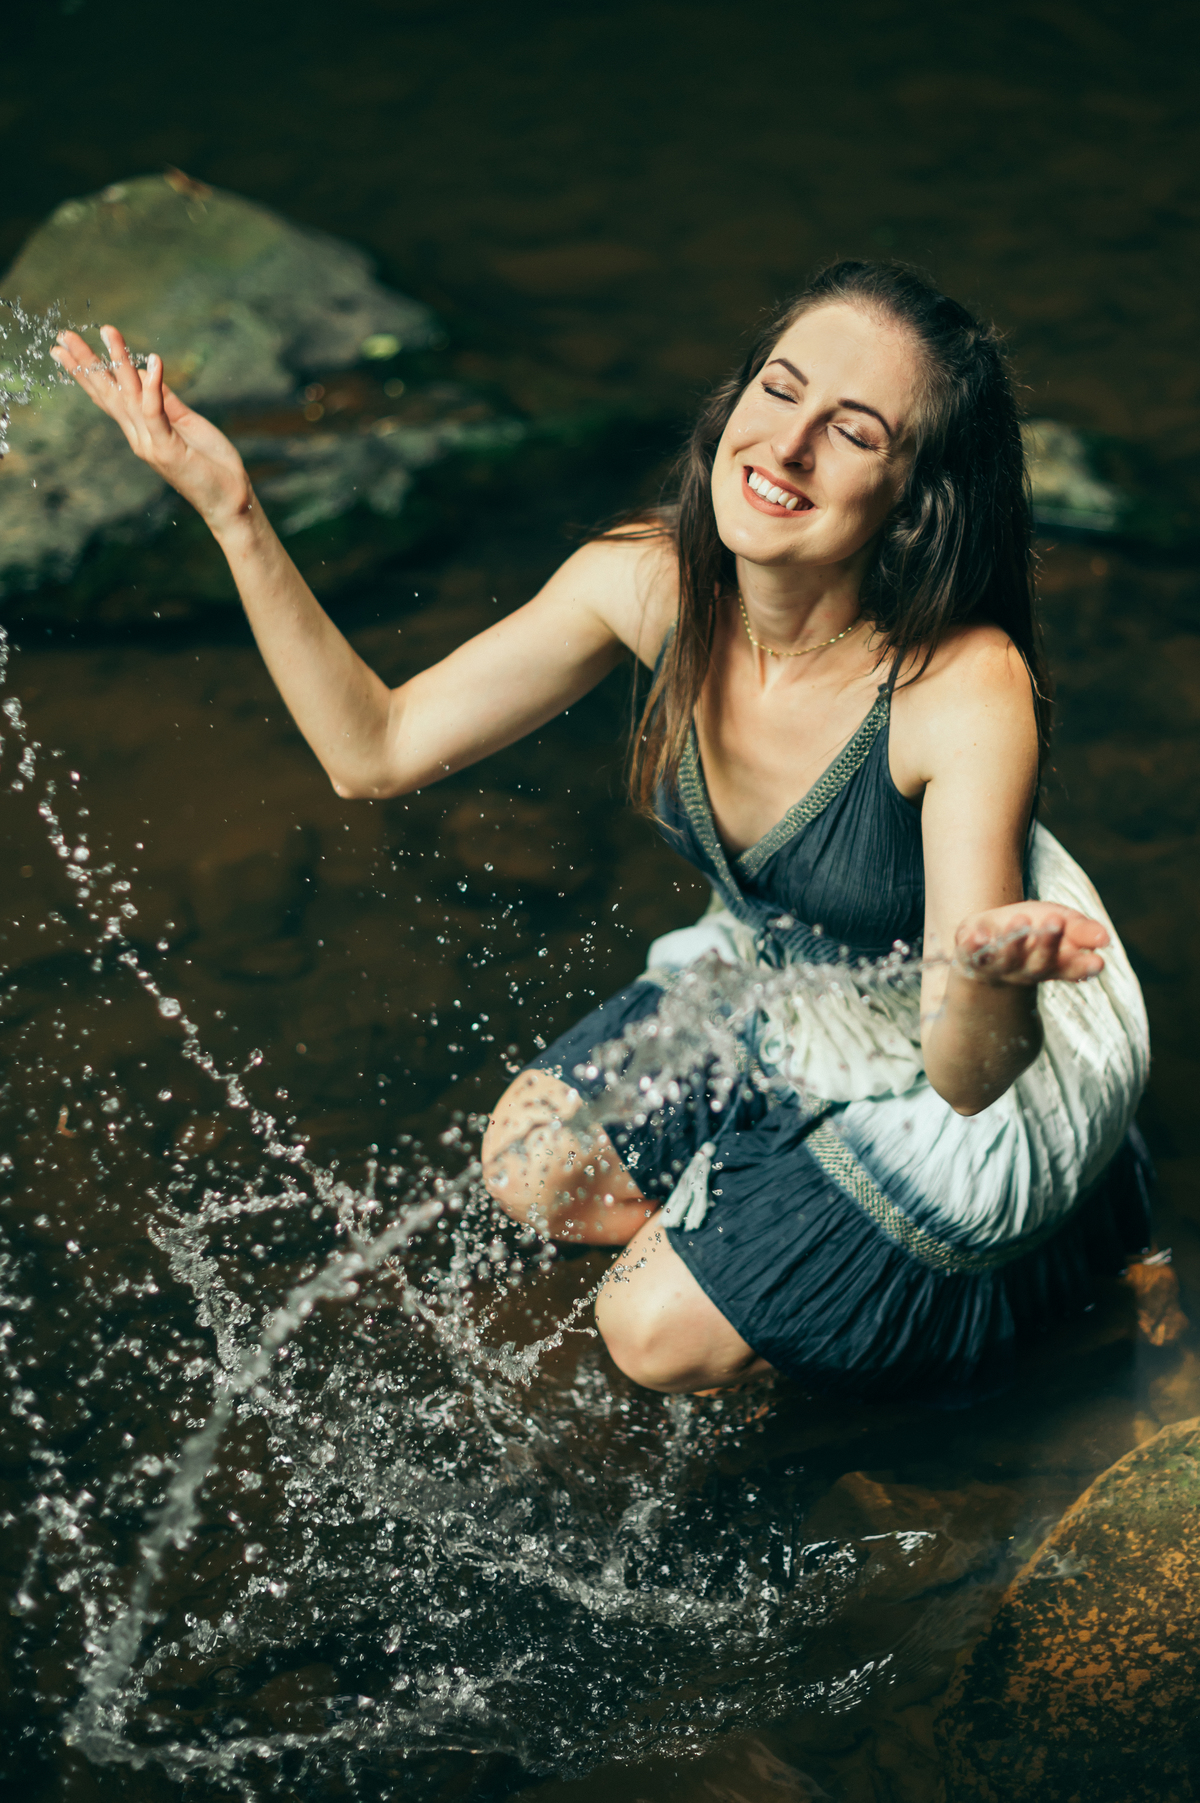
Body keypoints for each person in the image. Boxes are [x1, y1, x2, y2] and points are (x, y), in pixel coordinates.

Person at [54, 259, 1150, 1407]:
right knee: (533, 1168)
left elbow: (971, 1078)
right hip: (786, 982)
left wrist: (985, 973)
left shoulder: (959, 686)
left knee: (649, 1333)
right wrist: (232, 512)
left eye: (853, 431)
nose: (787, 446)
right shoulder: (646, 582)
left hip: (970, 1047)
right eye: (780, 390)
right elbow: (373, 749)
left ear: (915, 498)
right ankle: (777, 1233)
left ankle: (1055, 1272)